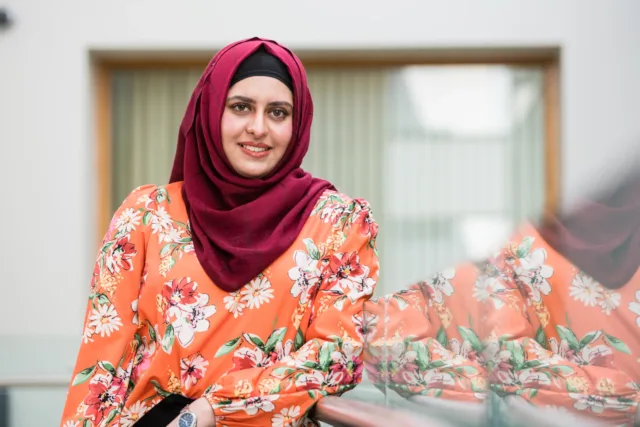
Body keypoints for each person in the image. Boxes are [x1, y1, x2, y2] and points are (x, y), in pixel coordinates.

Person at [60, 37, 379, 427]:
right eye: (241, 107)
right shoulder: (146, 214)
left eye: (278, 113)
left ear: (297, 126)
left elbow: (338, 356)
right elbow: (100, 366)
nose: (258, 128)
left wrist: (214, 410)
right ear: (210, 112)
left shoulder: (337, 222)